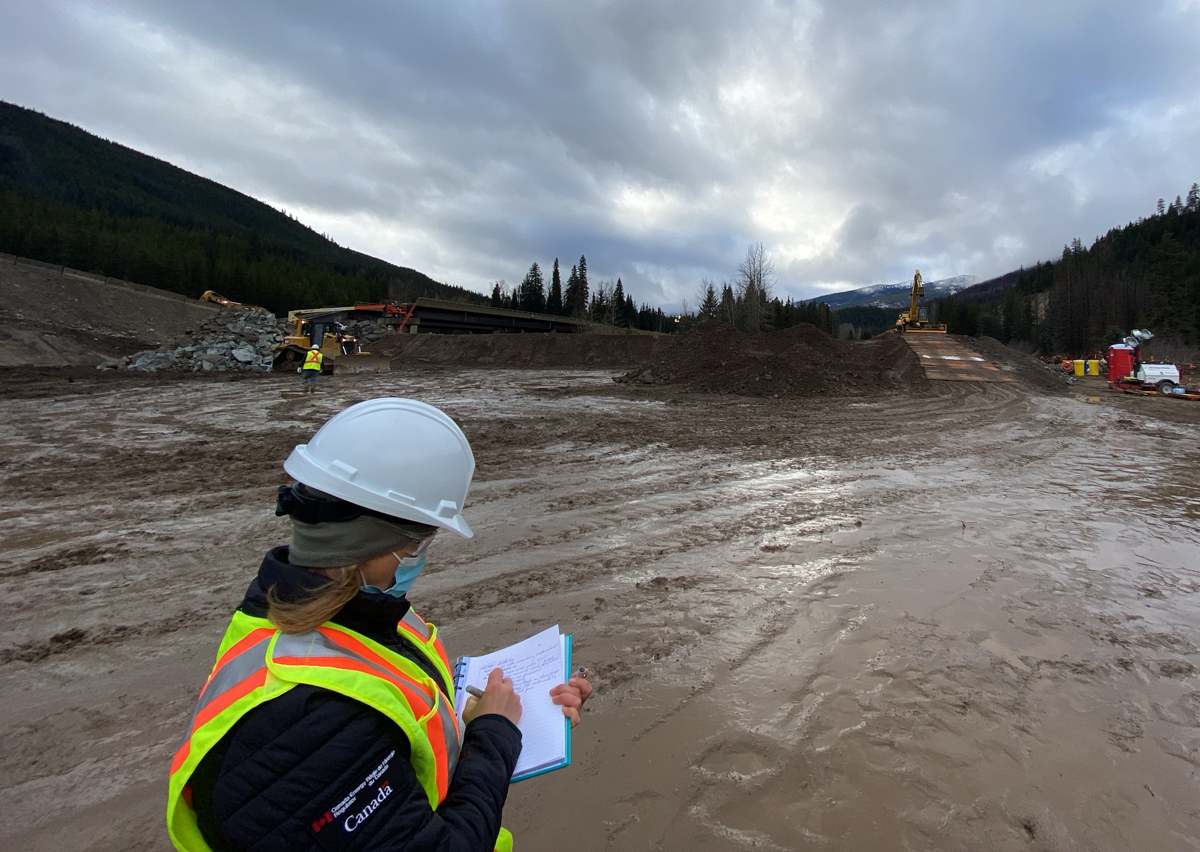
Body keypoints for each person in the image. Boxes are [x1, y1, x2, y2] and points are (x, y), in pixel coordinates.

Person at [167, 398, 592, 852]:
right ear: (369, 545)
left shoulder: (338, 612)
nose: (418, 559)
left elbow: (397, 727)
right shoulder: (304, 723)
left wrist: (482, 720)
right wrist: (494, 736)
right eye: (415, 546)